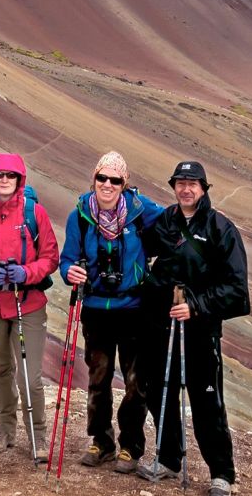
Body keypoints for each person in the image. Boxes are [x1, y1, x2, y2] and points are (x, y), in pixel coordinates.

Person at [138, 161, 250, 496]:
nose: (186, 189)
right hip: (161, 323)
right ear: (173, 186)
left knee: (206, 400)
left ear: (204, 188)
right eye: (180, 183)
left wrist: (197, 305)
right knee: (159, 391)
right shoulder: (165, 222)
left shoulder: (221, 229)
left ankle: (221, 473)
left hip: (200, 329)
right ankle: (169, 459)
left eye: (193, 184)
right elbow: (140, 254)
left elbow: (237, 289)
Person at [59, 151, 164, 473]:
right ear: (93, 179)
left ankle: (130, 447)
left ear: (124, 183)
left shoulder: (140, 211)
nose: (107, 184)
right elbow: (67, 259)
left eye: (114, 179)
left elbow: (172, 226)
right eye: (101, 178)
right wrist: (69, 273)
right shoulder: (80, 215)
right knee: (98, 378)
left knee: (136, 382)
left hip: (134, 309)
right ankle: (101, 442)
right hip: (95, 309)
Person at [0, 153, 58, 461]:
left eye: (10, 175)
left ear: (20, 180)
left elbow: (50, 257)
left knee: (30, 375)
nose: (4, 179)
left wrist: (26, 273)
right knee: (1, 368)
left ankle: (38, 434)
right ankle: (5, 428)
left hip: (27, 303)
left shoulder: (35, 214)